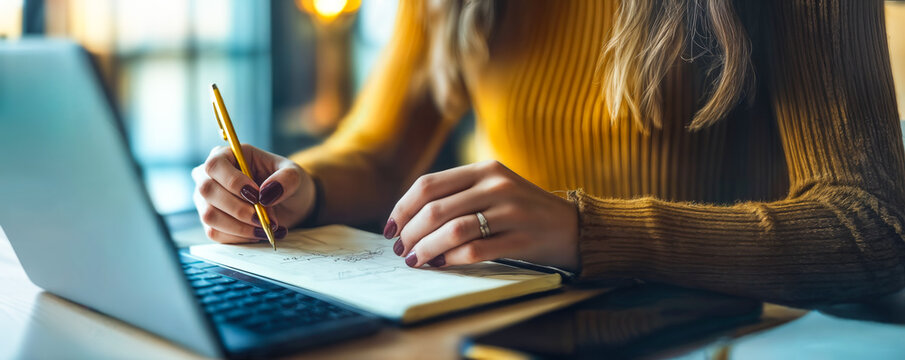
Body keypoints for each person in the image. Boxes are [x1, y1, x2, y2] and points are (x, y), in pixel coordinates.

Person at [192, 0, 905, 306]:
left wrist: (581, 230)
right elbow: (380, 155)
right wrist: (299, 186)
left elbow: (871, 226)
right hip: (508, 331)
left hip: (716, 337)